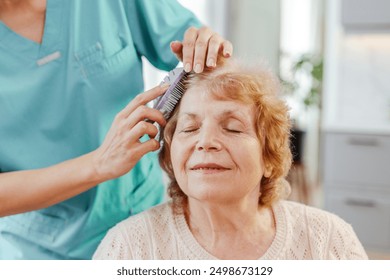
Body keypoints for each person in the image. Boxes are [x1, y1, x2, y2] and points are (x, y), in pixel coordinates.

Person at [0, 0, 233, 259]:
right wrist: (98, 164)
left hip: (146, 218)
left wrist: (206, 52)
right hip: (43, 249)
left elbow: (210, 64)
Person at [93, 57, 368, 260]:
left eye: (233, 128)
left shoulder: (329, 241)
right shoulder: (127, 248)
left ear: (269, 156)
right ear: (171, 154)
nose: (205, 142)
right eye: (189, 129)